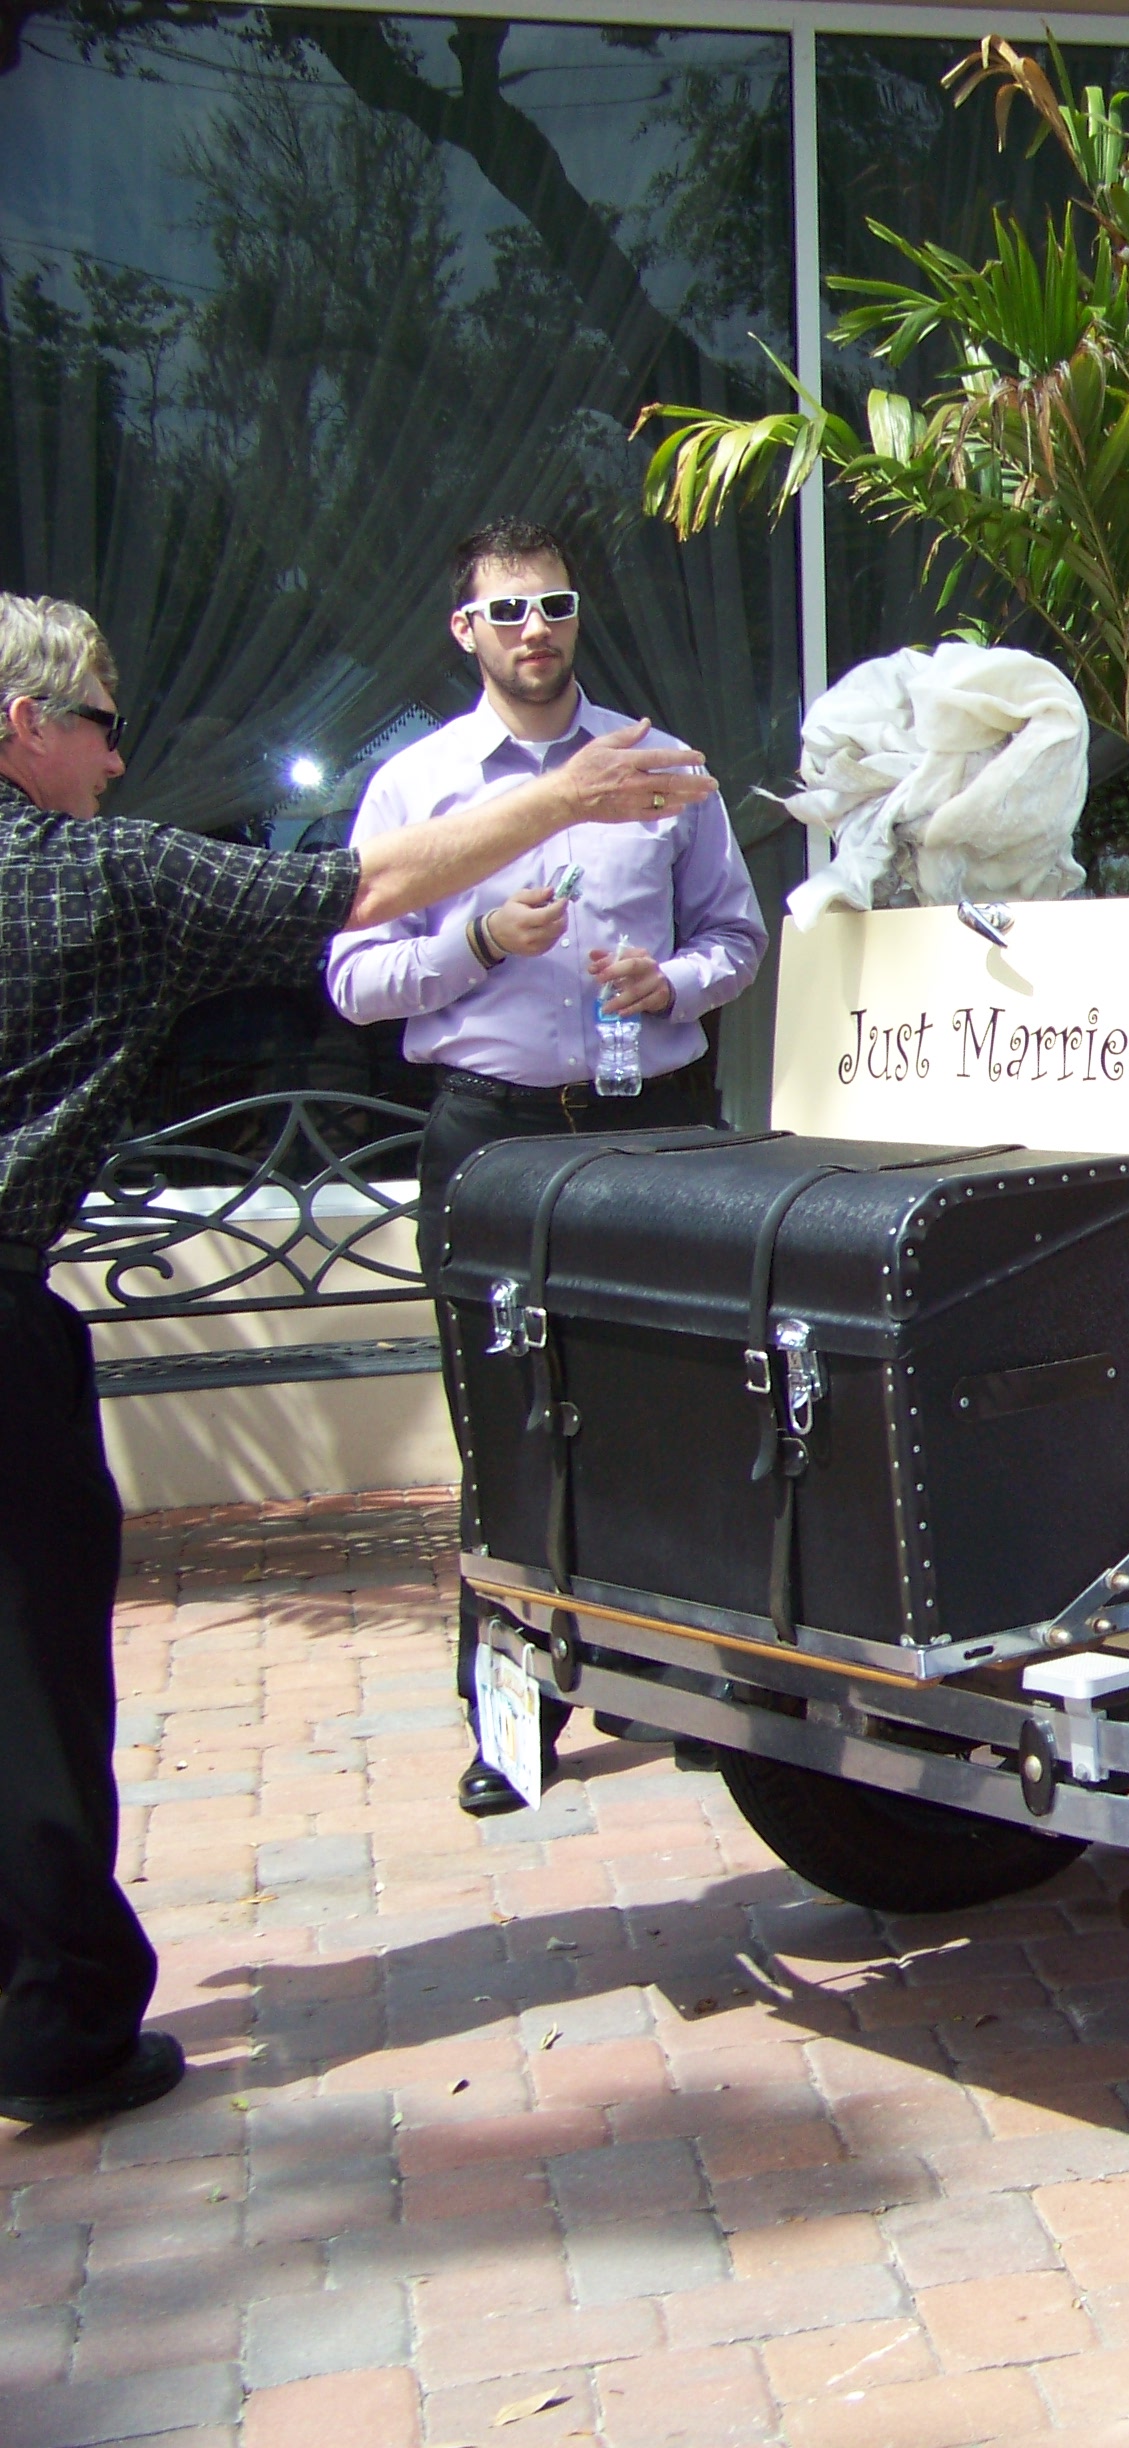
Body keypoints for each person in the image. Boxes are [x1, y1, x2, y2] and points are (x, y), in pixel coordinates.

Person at [0, 591, 710, 2129]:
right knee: (30, 1687)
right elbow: (359, 889)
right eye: (104, 730)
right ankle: (55, 2029)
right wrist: (568, 798)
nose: (116, 765)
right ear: (25, 726)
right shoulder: (92, 877)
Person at [325, 519, 765, 1816]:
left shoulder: (661, 766)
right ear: (465, 629)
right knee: (507, 1426)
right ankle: (512, 1726)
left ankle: (691, 1694)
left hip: (650, 1120)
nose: (535, 630)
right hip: (494, 1135)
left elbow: (737, 936)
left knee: (679, 1409)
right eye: (508, 611)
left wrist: (671, 981)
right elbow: (353, 981)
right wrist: (474, 941)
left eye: (555, 606)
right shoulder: (415, 788)